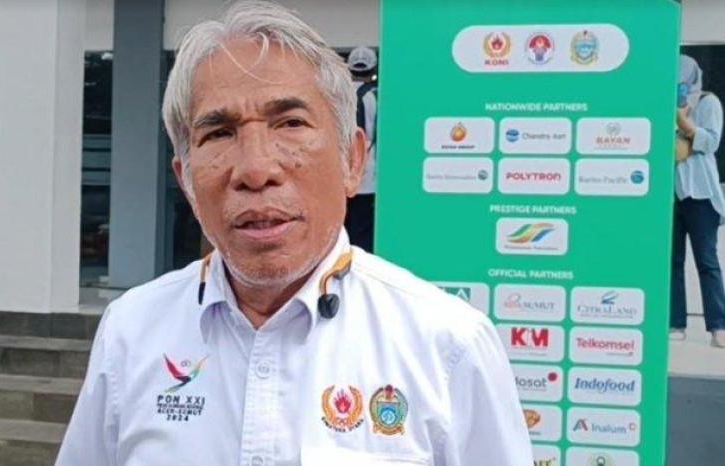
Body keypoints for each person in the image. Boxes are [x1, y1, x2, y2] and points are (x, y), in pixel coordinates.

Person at [56, 2, 532, 465]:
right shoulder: (131, 331)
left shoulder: (449, 346)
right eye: (219, 133)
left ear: (353, 160)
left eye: (290, 124)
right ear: (186, 180)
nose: (256, 170)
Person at [671, 54, 725, 348]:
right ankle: (676, 323)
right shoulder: (659, 102)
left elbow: (711, 142)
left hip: (701, 194)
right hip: (671, 194)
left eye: (683, 80)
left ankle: (718, 326)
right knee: (673, 261)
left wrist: (683, 121)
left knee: (707, 261)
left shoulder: (708, 102)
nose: (680, 84)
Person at [344, 46, 378, 252]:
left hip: (340, 171)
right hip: (368, 176)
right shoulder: (375, 96)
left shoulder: (336, 94)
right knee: (363, 229)